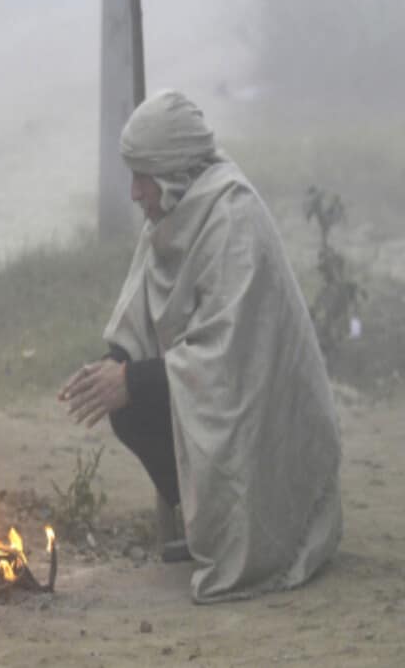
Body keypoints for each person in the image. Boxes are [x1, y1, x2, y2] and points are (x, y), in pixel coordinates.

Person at [58, 89, 342, 604]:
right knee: (132, 405)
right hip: (217, 393)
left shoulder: (233, 217)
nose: (134, 192)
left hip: (265, 418)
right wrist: (114, 367)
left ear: (170, 171)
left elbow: (231, 361)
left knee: (139, 393)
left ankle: (250, 537)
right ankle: (206, 525)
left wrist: (133, 381)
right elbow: (139, 315)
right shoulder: (172, 212)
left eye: (142, 175)